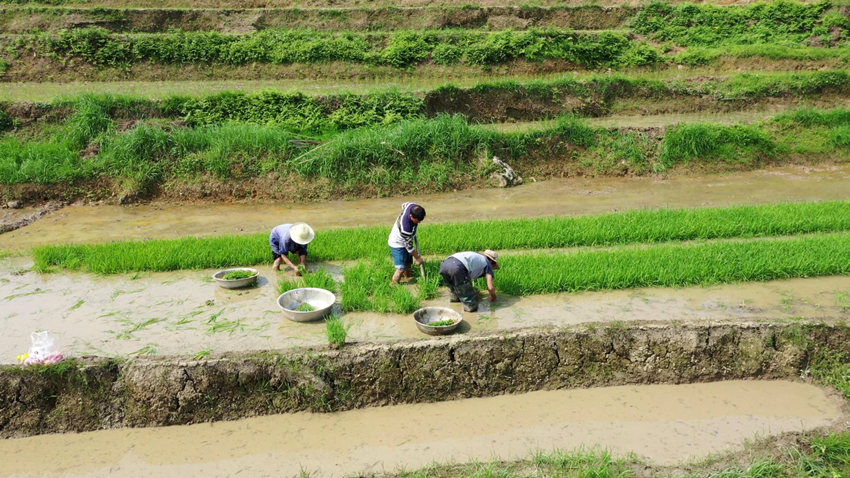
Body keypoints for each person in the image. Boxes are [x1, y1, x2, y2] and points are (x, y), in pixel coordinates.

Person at [387, 202, 426, 285]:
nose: (419, 222)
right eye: (418, 221)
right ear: (411, 216)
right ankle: (393, 285)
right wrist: (418, 258)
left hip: (407, 239)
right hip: (397, 243)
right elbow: (409, 248)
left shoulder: (411, 205)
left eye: (421, 220)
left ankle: (409, 277)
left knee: (408, 264)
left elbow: (404, 205)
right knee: (401, 268)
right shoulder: (406, 228)